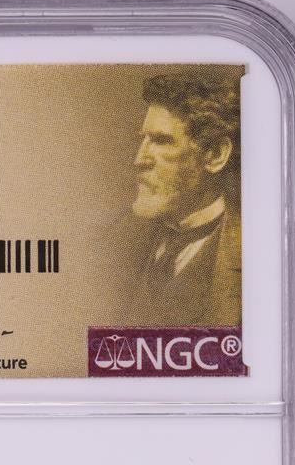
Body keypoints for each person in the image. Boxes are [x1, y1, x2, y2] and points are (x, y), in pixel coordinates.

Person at [96, 72, 242, 327]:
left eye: (161, 141)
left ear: (215, 155)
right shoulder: (111, 241)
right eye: (143, 140)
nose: (139, 159)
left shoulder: (258, 261)